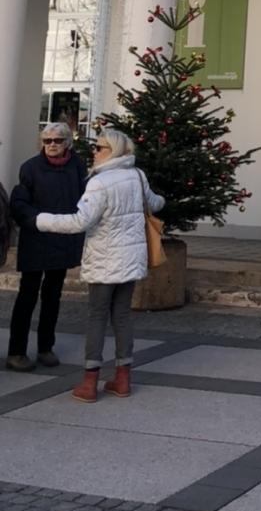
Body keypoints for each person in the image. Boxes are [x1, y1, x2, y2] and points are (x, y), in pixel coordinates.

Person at [35, 128, 164, 403]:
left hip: (104, 260)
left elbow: (80, 222)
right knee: (122, 316)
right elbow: (155, 203)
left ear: (112, 150)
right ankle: (123, 380)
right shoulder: (137, 176)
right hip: (130, 259)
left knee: (97, 316)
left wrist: (41, 220)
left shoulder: (99, 182)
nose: (94, 152)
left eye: (99, 147)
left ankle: (90, 382)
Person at [6, 123, 87, 372]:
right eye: (47, 140)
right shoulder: (30, 167)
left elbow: (86, 199)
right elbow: (19, 203)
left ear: (68, 143)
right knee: (27, 296)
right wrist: (38, 220)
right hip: (36, 239)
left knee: (53, 296)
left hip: (63, 240)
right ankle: (16, 352)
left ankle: (45, 347)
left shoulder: (78, 166)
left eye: (57, 140)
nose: (52, 145)